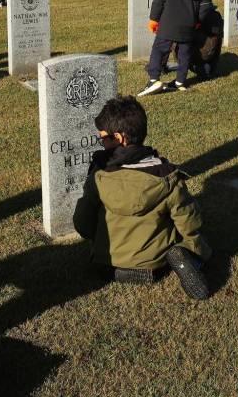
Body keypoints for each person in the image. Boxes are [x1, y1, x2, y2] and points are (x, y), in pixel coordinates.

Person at [72, 96, 211, 298]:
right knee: (185, 237)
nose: (100, 141)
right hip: (155, 262)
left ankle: (117, 270)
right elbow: (188, 222)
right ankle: (183, 257)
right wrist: (197, 248)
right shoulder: (167, 176)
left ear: (119, 138)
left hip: (105, 260)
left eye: (102, 137)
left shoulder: (98, 176)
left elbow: (82, 224)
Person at [139, 0, 212, 95]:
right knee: (184, 53)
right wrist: (198, 21)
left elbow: (158, 0)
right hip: (189, 24)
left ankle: (153, 79)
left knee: (159, 50)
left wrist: (154, 19)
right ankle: (180, 81)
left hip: (167, 23)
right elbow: (205, 8)